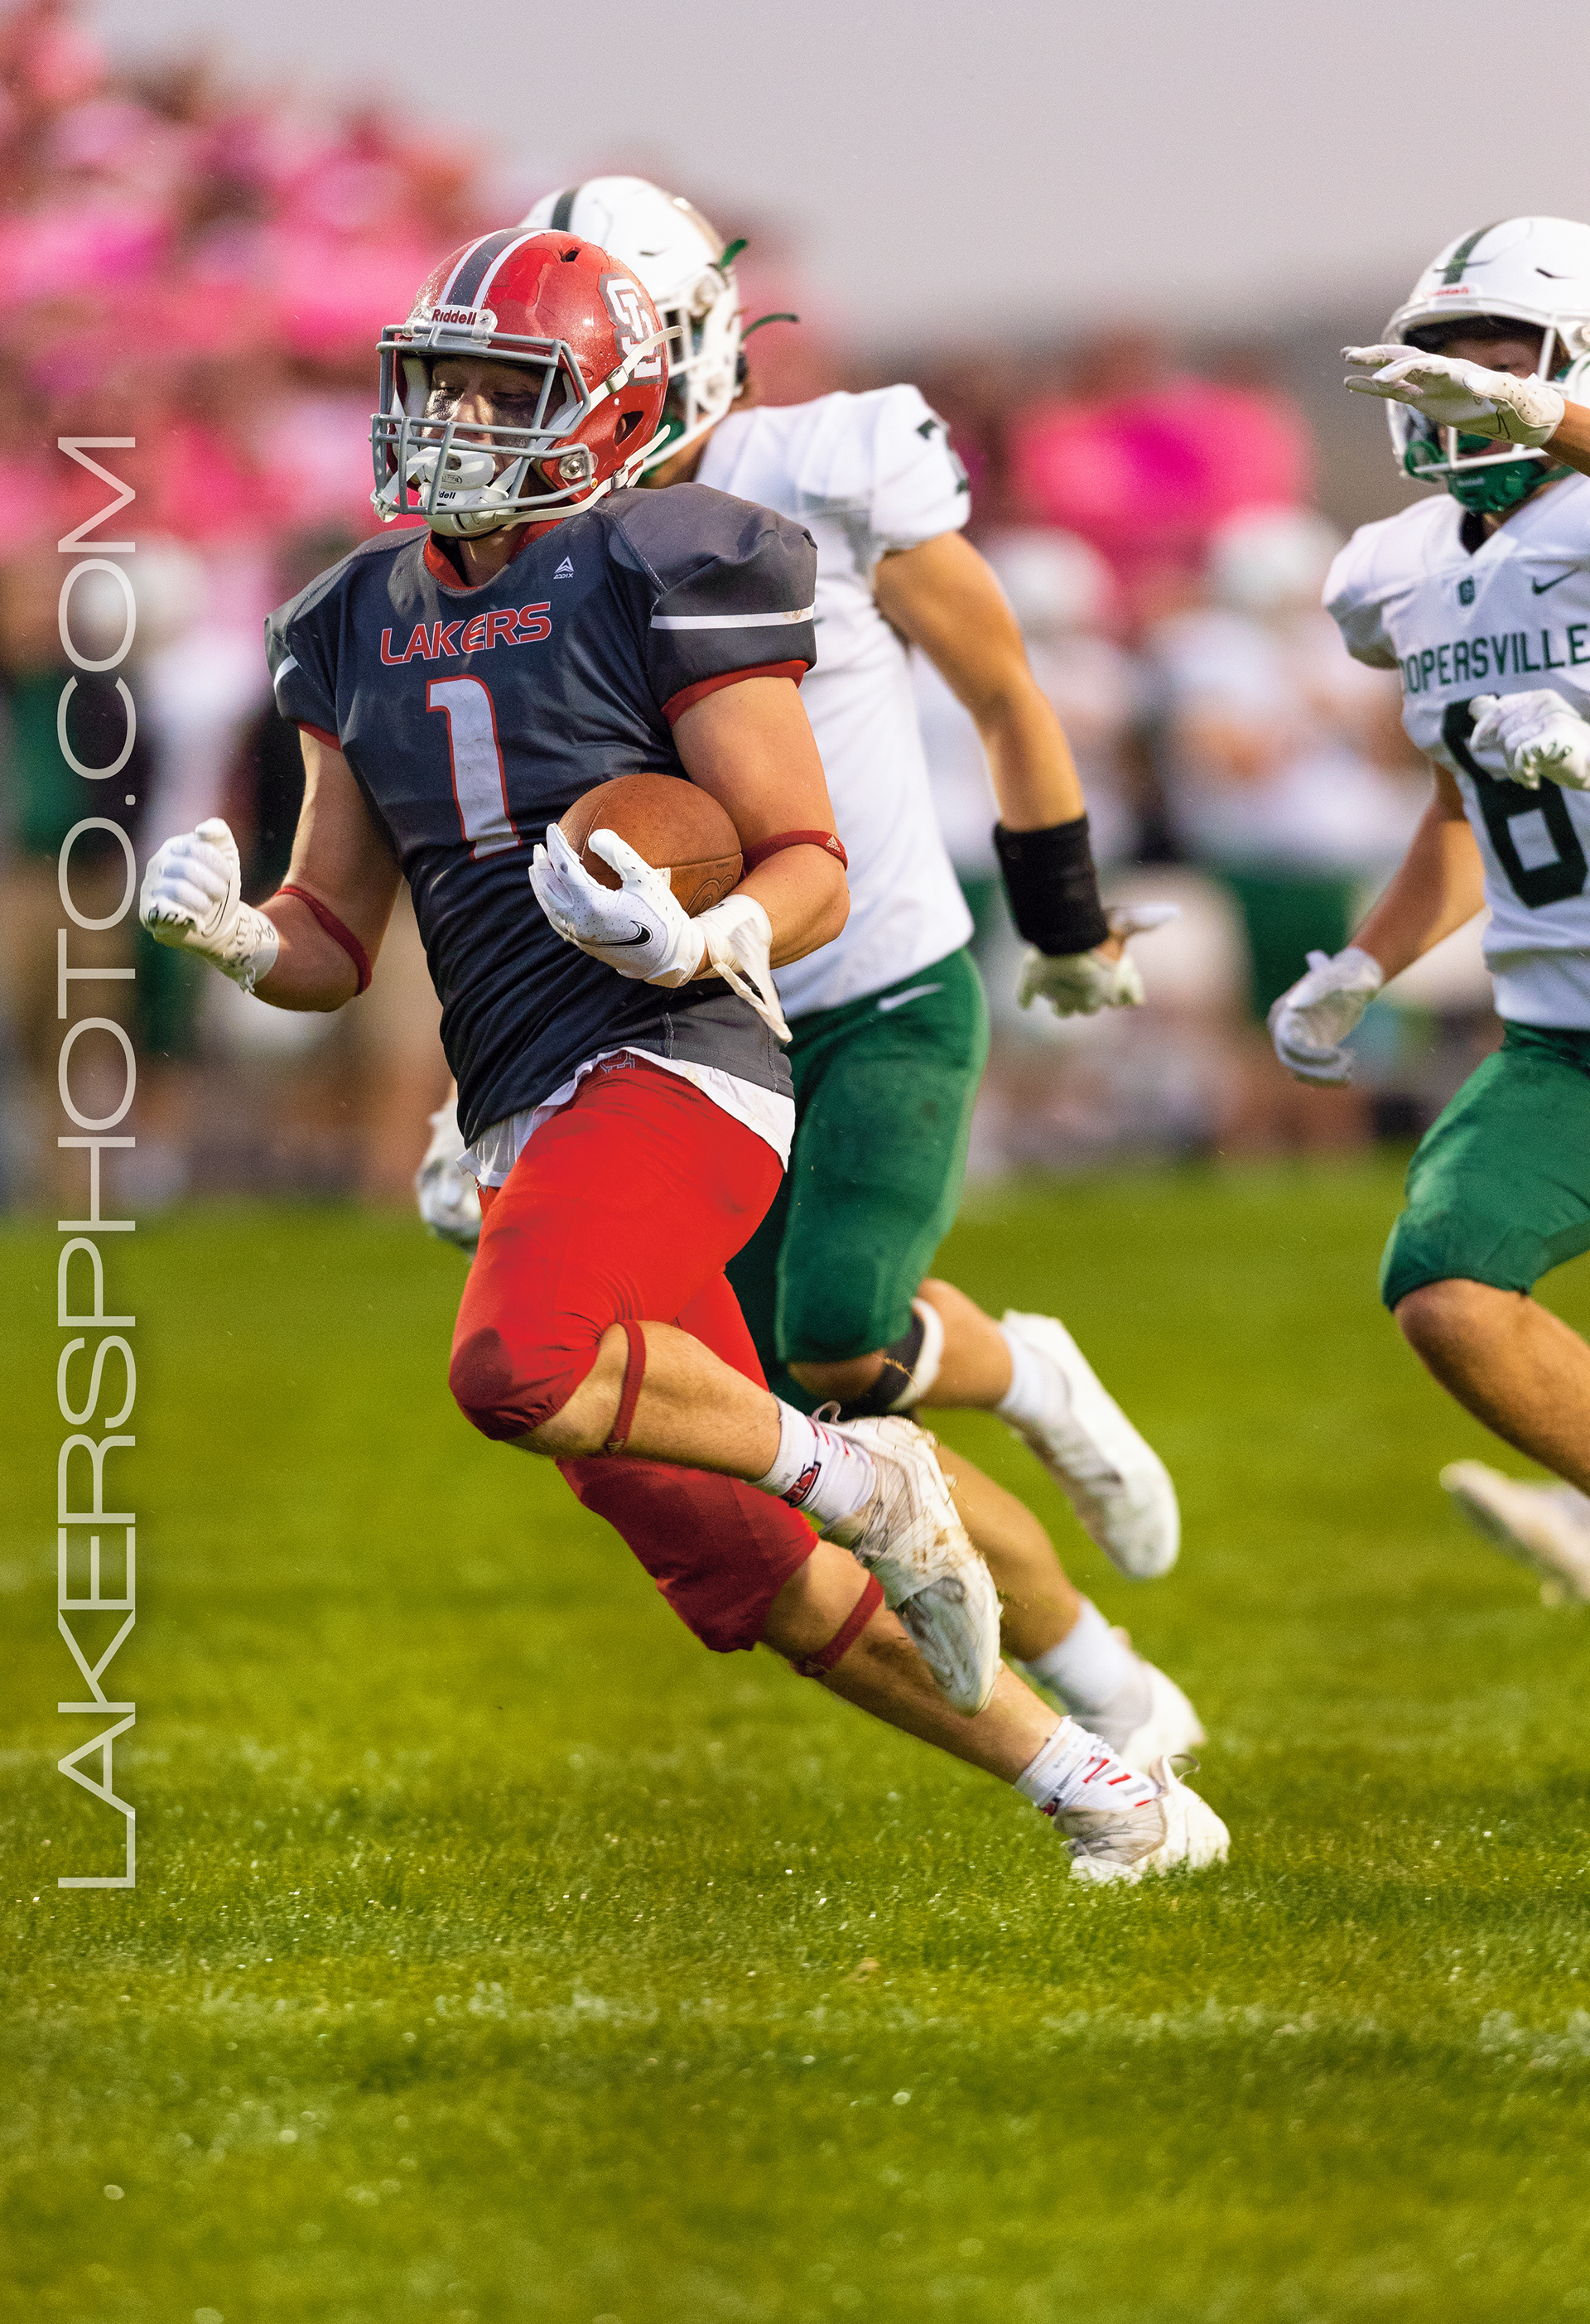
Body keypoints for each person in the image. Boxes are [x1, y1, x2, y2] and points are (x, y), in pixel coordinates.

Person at [138, 224, 1226, 1882]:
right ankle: (1110, 1791)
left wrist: (709, 937)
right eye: (437, 383)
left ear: (617, 409)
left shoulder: (674, 559)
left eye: (503, 390)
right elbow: (333, 940)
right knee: (749, 1567)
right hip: (520, 1101)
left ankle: (860, 1472)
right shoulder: (345, 617)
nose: (453, 421)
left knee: (516, 1368)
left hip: (678, 1055)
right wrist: (234, 932)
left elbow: (807, 861)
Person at [416, 177, 1204, 1771]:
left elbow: (1002, 685)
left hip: (878, 984)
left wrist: (1062, 913)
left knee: (843, 1333)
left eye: (554, 364)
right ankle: (1111, 1686)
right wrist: (476, 1093)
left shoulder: (817, 469)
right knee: (835, 1433)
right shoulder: (519, 540)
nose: (516, 406)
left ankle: (1032, 1371)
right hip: (700, 1032)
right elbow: (511, 846)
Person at [1270, 215, 1590, 1601]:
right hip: (1565, 1038)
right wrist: (1363, 965)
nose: (1460, 388)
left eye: (1497, 359)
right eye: (1441, 358)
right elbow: (1470, 809)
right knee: (1451, 1288)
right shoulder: (1397, 570)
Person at [1152, 504, 1423, 1153]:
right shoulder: (1210, 649)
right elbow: (1232, 760)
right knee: (1262, 1016)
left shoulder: (1349, 648)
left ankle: (1333, 1149)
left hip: (1340, 861)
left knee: (1343, 1012)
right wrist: (1307, 713)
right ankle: (1252, 1148)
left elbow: (1396, 757)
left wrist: (1346, 715)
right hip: (1259, 861)